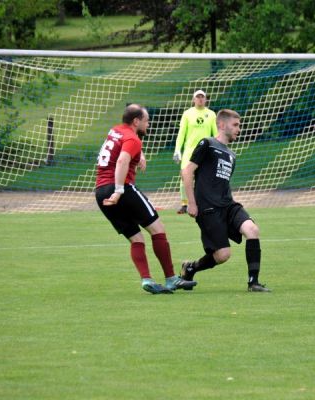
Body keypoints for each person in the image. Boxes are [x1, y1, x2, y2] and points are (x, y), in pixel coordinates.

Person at [95, 104, 197, 294]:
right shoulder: (132, 138)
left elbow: (123, 146)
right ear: (136, 121)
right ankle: (171, 279)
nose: (148, 124)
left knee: (136, 238)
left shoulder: (116, 130)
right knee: (158, 230)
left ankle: (147, 279)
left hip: (100, 192)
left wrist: (139, 153)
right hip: (121, 189)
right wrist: (118, 190)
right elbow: (122, 160)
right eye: (146, 121)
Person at [180, 109, 271, 292]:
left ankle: (253, 283)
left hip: (228, 205)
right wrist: (191, 203)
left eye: (240, 125)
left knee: (252, 229)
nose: (239, 129)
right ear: (221, 125)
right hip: (208, 208)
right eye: (235, 125)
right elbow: (187, 171)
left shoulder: (232, 155)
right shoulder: (207, 144)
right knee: (222, 255)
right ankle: (191, 268)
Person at [173, 89, 218, 214]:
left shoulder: (211, 114)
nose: (200, 99)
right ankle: (184, 203)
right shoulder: (187, 114)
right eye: (198, 97)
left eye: (202, 97)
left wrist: (218, 148)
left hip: (205, 151)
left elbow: (215, 134)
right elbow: (181, 133)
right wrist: (177, 150)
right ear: (193, 99)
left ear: (206, 99)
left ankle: (205, 202)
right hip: (189, 151)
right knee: (185, 176)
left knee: (205, 177)